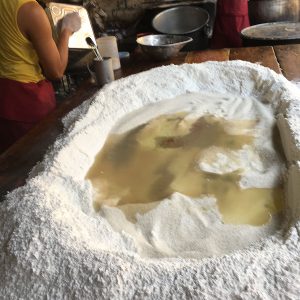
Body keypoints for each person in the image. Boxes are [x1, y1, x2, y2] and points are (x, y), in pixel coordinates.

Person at [0, 0, 81, 153]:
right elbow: (56, 72)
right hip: (25, 102)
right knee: (35, 164)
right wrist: (66, 30)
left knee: (9, 164)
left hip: (4, 100)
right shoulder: (31, 10)